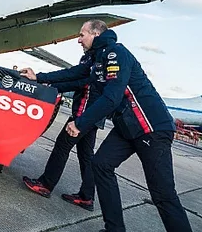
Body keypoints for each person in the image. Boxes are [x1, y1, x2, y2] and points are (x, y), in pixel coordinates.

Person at [22, 20, 192, 232]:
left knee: (163, 194)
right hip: (127, 126)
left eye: (82, 34)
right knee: (100, 165)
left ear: (95, 33)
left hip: (150, 127)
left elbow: (112, 97)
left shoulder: (115, 53)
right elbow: (74, 74)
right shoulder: (97, 58)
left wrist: (80, 122)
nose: (79, 39)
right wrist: (39, 77)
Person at [22, 69, 101, 211]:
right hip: (94, 116)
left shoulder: (96, 60)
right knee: (86, 156)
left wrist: (49, 84)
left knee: (62, 146)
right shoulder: (97, 59)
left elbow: (78, 80)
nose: (80, 44)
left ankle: (45, 185)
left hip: (84, 114)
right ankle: (87, 197)